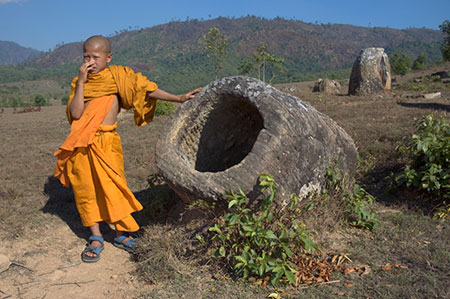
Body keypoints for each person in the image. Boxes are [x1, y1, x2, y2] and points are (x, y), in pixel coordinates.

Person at [54, 35, 200, 263]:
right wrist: (81, 83)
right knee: (86, 190)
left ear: (108, 57)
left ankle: (121, 234)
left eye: (95, 56)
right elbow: (75, 114)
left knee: (115, 187)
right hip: (82, 145)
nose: (90, 61)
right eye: (86, 57)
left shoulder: (118, 76)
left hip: (107, 141)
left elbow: (147, 90)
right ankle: (95, 237)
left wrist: (179, 98)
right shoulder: (79, 82)